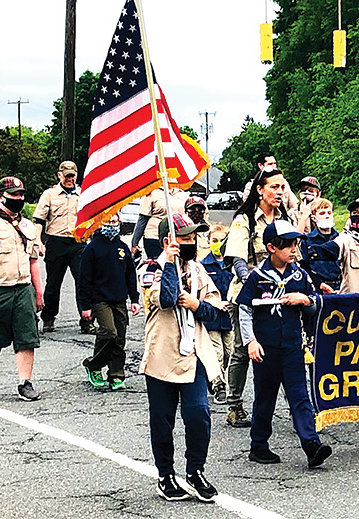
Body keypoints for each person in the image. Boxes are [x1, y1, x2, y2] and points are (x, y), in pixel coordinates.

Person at [140, 213, 222, 502]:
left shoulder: (198, 270)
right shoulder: (150, 268)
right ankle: (165, 475)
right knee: (162, 419)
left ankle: (195, 470)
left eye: (193, 238)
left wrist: (197, 304)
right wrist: (170, 263)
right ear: (168, 242)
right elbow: (165, 298)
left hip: (193, 353)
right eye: (185, 238)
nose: (191, 243)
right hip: (162, 355)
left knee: (199, 414)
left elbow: (216, 310)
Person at [237, 220, 332, 468]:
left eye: (295, 244)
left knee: (300, 397)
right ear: (271, 247)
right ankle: (259, 445)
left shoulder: (299, 275)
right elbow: (244, 310)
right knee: (265, 399)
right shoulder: (257, 277)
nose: (293, 250)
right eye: (287, 245)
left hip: (292, 347)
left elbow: (314, 304)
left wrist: (305, 299)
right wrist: (250, 341)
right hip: (265, 348)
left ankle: (311, 444)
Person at [223, 168, 292, 428]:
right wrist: (253, 280)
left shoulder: (284, 218)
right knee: (242, 349)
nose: (279, 192)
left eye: (282, 187)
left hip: (279, 295)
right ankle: (234, 406)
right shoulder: (245, 219)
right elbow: (237, 258)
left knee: (284, 347)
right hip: (247, 294)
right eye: (274, 187)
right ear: (260, 190)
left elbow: (293, 254)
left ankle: (297, 405)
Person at [0, 176, 44, 402]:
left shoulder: (27, 226)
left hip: (23, 289)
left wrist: (38, 291)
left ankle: (25, 383)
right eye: (13, 195)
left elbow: (33, 261)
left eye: (21, 194)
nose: (18, 198)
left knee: (27, 339)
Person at [78, 215, 141, 391]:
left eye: (114, 222)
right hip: (100, 299)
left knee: (119, 338)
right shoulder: (92, 248)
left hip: (119, 299)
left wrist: (134, 299)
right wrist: (85, 306)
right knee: (108, 332)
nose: (112, 225)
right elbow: (84, 279)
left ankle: (116, 374)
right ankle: (94, 365)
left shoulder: (122, 248)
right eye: (108, 222)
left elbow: (130, 275)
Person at [33, 161, 91, 334]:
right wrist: (38, 241)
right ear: (59, 175)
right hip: (56, 242)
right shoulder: (49, 194)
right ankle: (49, 318)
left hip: (78, 243)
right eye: (66, 176)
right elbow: (39, 220)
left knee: (83, 282)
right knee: (53, 284)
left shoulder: (83, 194)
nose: (69, 179)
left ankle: (87, 320)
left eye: (72, 176)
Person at [199, 223, 234, 404]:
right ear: (208, 241)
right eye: (214, 240)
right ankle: (218, 385)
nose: (217, 244)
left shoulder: (233, 264)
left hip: (229, 316)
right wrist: (214, 302)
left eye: (221, 241)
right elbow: (201, 290)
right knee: (216, 352)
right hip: (211, 316)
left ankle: (212, 374)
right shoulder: (203, 265)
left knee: (230, 351)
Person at [131, 187, 188, 260]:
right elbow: (142, 219)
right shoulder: (152, 193)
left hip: (176, 237)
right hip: (154, 237)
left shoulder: (182, 194)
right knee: (159, 263)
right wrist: (134, 243)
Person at [298, 198, 341, 294]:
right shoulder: (307, 241)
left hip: (340, 288)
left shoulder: (341, 239)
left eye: (329, 213)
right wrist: (319, 283)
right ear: (314, 218)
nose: (327, 216)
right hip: (317, 289)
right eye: (322, 213)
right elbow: (303, 267)